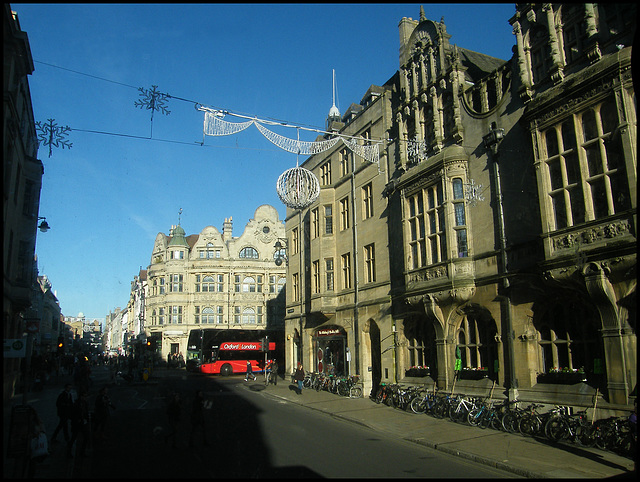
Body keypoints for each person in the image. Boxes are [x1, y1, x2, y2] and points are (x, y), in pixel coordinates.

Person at [67, 391, 90, 458]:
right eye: (84, 396)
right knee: (73, 438)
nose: (86, 398)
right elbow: (71, 414)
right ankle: (69, 452)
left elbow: (85, 412)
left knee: (86, 437)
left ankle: (82, 452)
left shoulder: (85, 403)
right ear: (81, 396)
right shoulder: (75, 404)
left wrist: (86, 419)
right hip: (77, 424)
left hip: (83, 423)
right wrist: (77, 420)